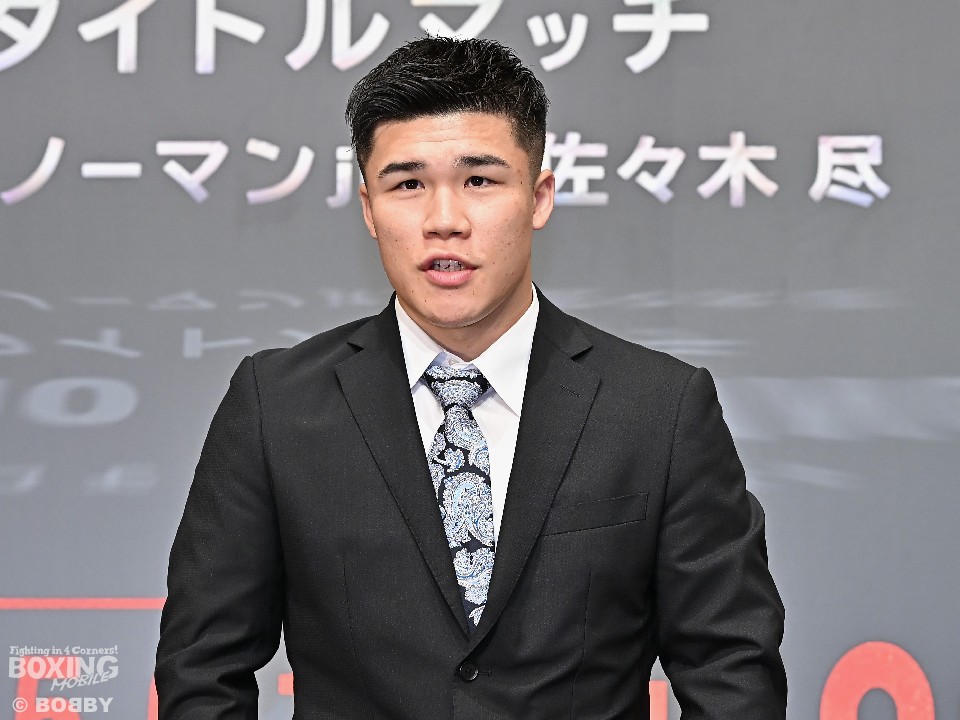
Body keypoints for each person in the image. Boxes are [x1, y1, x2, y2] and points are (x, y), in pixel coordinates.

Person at [156, 37, 786, 720]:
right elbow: (202, 669)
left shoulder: (659, 407)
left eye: (479, 181)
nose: (444, 221)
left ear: (539, 197)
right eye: (407, 184)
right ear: (368, 208)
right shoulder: (277, 406)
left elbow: (730, 670)